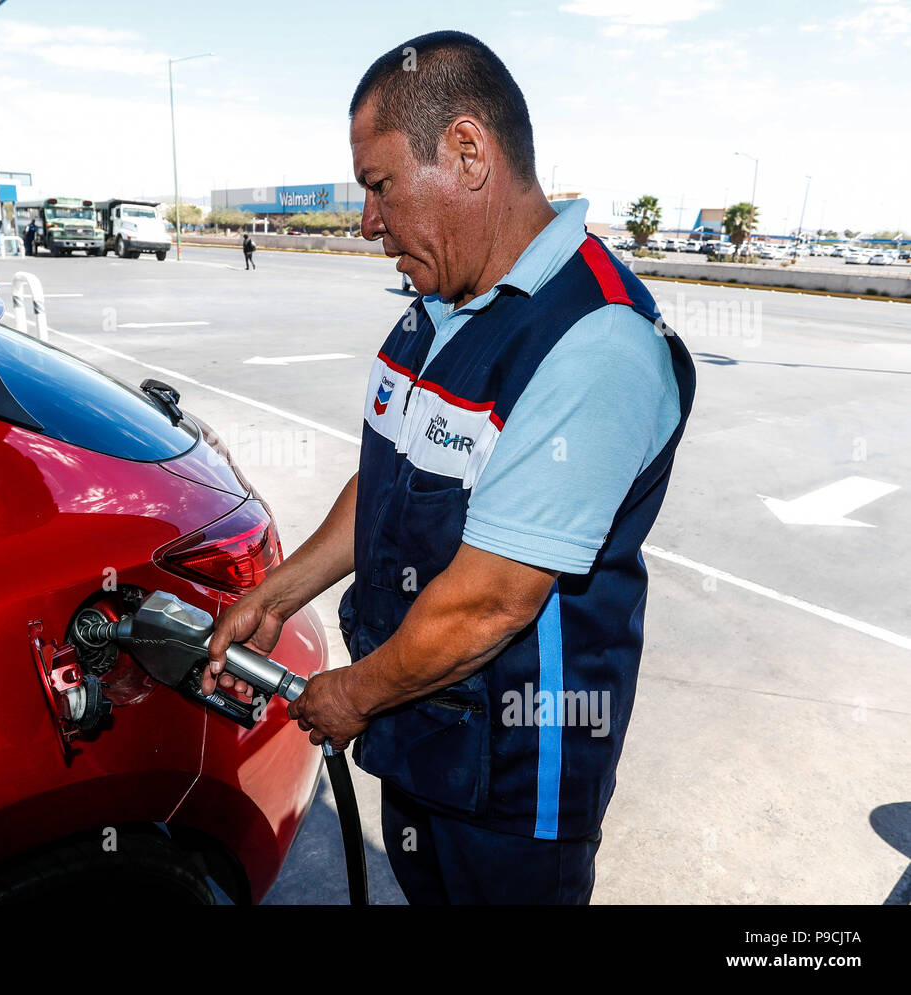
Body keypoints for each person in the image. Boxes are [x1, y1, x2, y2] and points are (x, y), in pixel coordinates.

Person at [202, 30, 695, 905]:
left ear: (469, 151)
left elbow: (493, 598)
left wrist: (350, 694)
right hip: (425, 740)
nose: (367, 223)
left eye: (379, 185)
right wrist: (273, 596)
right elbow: (387, 486)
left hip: (512, 794)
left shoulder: (594, 340)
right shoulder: (437, 309)